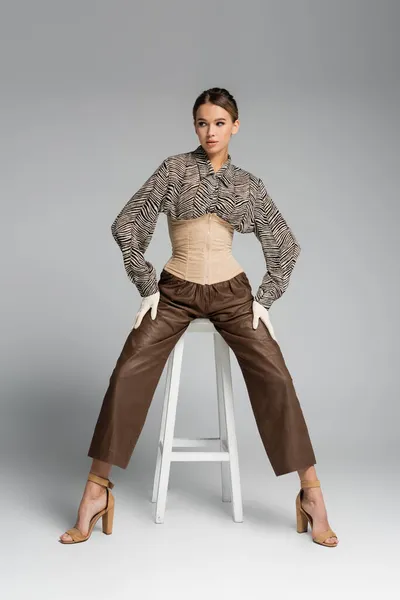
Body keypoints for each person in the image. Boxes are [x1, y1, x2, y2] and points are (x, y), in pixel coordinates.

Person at [60, 87, 338, 547]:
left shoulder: (248, 184)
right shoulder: (174, 169)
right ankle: (96, 491)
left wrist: (265, 298)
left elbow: (285, 245)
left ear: (235, 126)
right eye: (202, 123)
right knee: (129, 370)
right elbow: (126, 223)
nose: (211, 131)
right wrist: (147, 284)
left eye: (220, 123)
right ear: (195, 126)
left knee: (276, 376)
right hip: (175, 290)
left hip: (232, 293)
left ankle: (312, 494)